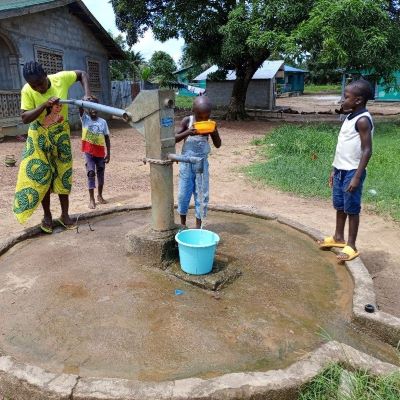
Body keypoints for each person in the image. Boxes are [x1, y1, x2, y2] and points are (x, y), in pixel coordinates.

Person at [13, 61, 92, 233]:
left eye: (40, 83)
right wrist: (43, 105)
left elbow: (82, 74)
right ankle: (47, 215)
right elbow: (25, 118)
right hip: (39, 137)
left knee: (64, 175)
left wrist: (87, 94)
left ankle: (65, 215)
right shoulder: (27, 90)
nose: (38, 88)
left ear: (45, 75)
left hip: (60, 135)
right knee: (42, 176)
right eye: (34, 86)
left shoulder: (60, 79)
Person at [319, 79, 374, 261]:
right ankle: (338, 237)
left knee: (352, 208)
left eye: (346, 97)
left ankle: (351, 245)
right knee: (340, 206)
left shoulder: (363, 120)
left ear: (358, 100)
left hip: (352, 172)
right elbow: (343, 148)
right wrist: (334, 170)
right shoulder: (350, 117)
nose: (342, 100)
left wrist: (357, 177)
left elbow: (367, 150)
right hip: (341, 170)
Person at [175, 96, 221, 229]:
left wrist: (214, 132)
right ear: (193, 111)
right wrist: (188, 132)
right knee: (184, 193)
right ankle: (182, 224)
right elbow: (173, 139)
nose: (203, 120)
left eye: (206, 117)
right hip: (187, 163)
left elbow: (218, 145)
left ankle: (198, 226)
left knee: (201, 194)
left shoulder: (210, 124)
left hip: (202, 163)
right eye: (200, 117)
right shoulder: (187, 121)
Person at [79, 97, 111, 209]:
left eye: (95, 108)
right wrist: (83, 100)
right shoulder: (85, 119)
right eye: (91, 108)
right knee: (91, 173)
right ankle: (91, 199)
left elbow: (107, 138)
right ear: (88, 109)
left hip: (100, 153)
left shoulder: (103, 122)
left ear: (98, 109)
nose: (93, 110)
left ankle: (100, 196)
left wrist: (109, 154)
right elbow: (80, 107)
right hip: (89, 152)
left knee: (101, 173)